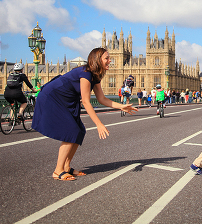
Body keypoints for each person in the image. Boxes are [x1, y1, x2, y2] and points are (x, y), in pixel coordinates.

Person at [32, 48, 138, 181]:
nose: (110, 60)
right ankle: (57, 170)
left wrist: (122, 106)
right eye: (106, 58)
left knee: (79, 130)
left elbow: (102, 99)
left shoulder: (95, 76)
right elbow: (87, 102)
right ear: (97, 60)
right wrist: (99, 124)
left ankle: (66, 166)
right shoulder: (86, 73)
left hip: (67, 99)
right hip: (53, 97)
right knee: (71, 130)